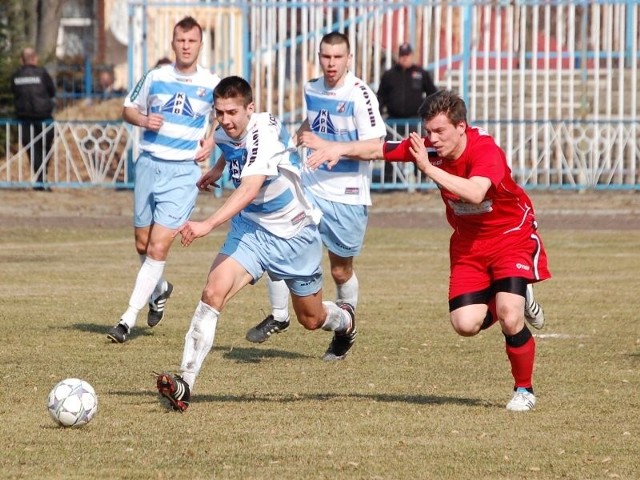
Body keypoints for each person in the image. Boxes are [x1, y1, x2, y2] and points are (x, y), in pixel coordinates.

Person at [302, 89, 551, 412]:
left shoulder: (485, 150)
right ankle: (514, 294)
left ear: (461, 127)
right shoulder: (428, 149)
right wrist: (339, 148)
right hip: (468, 244)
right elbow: (379, 149)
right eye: (428, 131)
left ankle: (524, 389)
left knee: (509, 315)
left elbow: (476, 193)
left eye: (440, 131)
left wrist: (428, 168)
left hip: (510, 237)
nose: (432, 139)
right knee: (465, 324)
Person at [155, 76, 356, 411]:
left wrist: (207, 224)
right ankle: (184, 385)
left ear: (251, 108)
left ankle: (345, 321)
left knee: (310, 318)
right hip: (250, 231)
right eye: (218, 112)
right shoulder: (223, 130)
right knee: (212, 292)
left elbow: (249, 188)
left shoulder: (264, 132)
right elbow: (229, 146)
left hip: (294, 234)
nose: (225, 120)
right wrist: (219, 169)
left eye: (232, 112)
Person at [244, 31, 386, 358]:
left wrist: (336, 148)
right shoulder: (311, 87)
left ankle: (344, 329)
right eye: (326, 57)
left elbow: (376, 147)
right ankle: (279, 315)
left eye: (337, 57)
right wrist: (299, 137)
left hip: (347, 195)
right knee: (279, 238)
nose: (331, 63)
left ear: (349, 59)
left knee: (340, 271)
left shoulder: (360, 95)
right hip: (309, 185)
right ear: (319, 57)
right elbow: (316, 122)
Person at [107, 16, 221, 343]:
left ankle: (127, 319)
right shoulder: (155, 76)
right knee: (142, 244)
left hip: (183, 173)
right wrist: (144, 119)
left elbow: (225, 118)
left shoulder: (212, 83)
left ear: (200, 45)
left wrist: (210, 141)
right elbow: (128, 108)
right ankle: (160, 289)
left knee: (158, 246)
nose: (186, 46)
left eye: (192, 41)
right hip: (148, 166)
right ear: (173, 44)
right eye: (181, 40)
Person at [377, 42, 438, 183]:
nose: (404, 58)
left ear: (412, 55)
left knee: (419, 149)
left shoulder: (421, 73)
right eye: (402, 55)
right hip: (393, 120)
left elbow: (432, 93)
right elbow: (381, 96)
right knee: (389, 148)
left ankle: (421, 180)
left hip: (414, 119)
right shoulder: (389, 75)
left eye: (407, 55)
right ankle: (389, 181)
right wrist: (379, 113)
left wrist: (429, 112)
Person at [10, 47, 56, 190]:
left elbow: (14, 92)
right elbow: (52, 91)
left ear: (21, 60)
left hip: (24, 118)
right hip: (43, 117)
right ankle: (42, 179)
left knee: (33, 149)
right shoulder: (42, 74)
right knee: (45, 148)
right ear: (35, 59)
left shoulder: (16, 75)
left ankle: (40, 179)